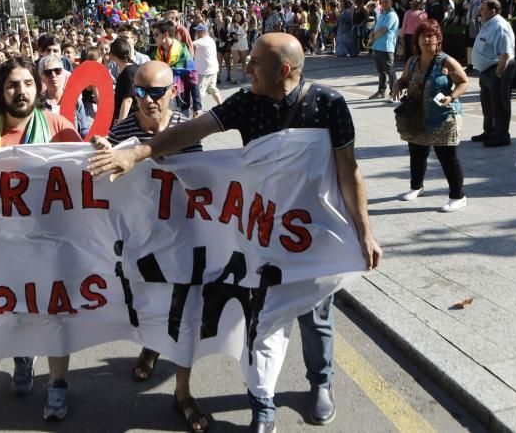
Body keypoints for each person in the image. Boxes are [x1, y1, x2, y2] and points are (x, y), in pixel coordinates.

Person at [88, 33, 382, 433]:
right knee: (261, 318)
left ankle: (321, 382)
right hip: (261, 234)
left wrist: (364, 232)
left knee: (316, 317)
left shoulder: (329, 105)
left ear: (282, 71)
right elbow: (192, 131)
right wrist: (137, 151)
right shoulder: (246, 102)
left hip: (313, 235)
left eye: (255, 63)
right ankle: (262, 404)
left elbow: (349, 171)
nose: (245, 68)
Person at [0, 58, 81, 421]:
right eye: (13, 84)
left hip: (52, 240)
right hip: (3, 242)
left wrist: (100, 149)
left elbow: (81, 175)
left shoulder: (58, 127)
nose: (21, 90)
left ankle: (58, 383)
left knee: (56, 312)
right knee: (16, 308)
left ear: (38, 87)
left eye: (28, 83)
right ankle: (23, 356)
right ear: (1, 91)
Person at [92, 61, 209, 432]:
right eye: (140, 92)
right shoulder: (124, 129)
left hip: (183, 237)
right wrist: (100, 149)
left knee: (185, 314)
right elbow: (105, 177)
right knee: (146, 304)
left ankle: (183, 391)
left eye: (156, 92)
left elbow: (204, 180)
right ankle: (151, 346)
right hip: (140, 238)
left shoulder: (189, 128)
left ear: (172, 90)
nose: (147, 100)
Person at [391, 19, 469, 212]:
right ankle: (416, 187)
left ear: (437, 39)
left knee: (447, 157)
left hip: (444, 117)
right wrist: (397, 86)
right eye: (422, 36)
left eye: (430, 36)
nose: (426, 40)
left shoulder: (446, 61)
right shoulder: (413, 61)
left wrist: (451, 97)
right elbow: (404, 80)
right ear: (416, 40)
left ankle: (458, 196)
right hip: (418, 115)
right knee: (417, 153)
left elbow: (464, 82)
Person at [470, 0, 515, 147]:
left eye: (483, 9)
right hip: (486, 70)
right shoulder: (488, 24)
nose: (479, 11)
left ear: (492, 11)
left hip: (498, 68)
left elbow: (505, 55)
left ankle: (502, 135)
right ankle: (490, 131)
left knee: (500, 103)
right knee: (487, 103)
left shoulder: (499, 27)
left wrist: (498, 74)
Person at [38, 54, 89, 139]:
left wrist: (93, 138)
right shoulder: (38, 104)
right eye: (48, 72)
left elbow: (84, 130)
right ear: (42, 77)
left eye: (57, 71)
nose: (53, 75)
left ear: (63, 73)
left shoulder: (76, 101)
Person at [367, 0, 399, 100]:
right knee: (381, 72)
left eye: (386, 2)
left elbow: (383, 30)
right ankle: (381, 91)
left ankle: (393, 93)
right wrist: (371, 33)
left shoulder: (392, 15)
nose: (384, 4)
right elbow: (377, 28)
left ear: (391, 3)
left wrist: (372, 39)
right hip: (378, 47)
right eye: (382, 2)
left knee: (390, 71)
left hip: (386, 47)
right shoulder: (382, 14)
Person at [192, 22, 222, 110]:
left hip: (205, 71)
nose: (197, 33)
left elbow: (191, 44)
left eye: (198, 31)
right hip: (213, 69)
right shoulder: (210, 39)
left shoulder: (203, 40)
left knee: (200, 91)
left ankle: (197, 109)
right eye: (197, 31)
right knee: (212, 88)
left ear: (204, 32)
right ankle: (220, 105)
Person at [109, 37, 139, 125]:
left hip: (130, 120)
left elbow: (128, 99)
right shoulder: (132, 68)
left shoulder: (128, 72)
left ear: (112, 55)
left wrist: (120, 124)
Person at [464, 0, 488, 73]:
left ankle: (479, 66)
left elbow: (484, 8)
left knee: (478, 43)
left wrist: (470, 6)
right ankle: (470, 66)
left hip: (477, 23)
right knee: (469, 44)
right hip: (471, 22)